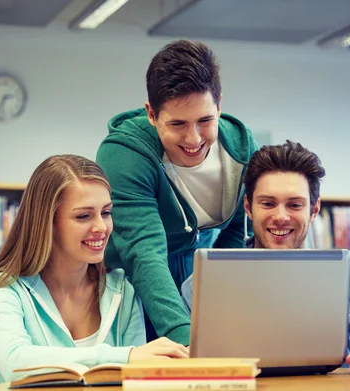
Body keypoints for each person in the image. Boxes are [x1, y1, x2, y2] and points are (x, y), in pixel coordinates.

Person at [182, 140, 350, 374]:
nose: (281, 216)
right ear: (249, 207)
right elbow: (179, 353)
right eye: (268, 203)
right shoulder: (207, 278)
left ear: (313, 210)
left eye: (294, 205)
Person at [95, 40, 259, 346]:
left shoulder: (240, 149)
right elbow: (144, 254)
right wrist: (188, 342)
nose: (193, 138)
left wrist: (217, 312)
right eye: (178, 124)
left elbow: (235, 232)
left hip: (198, 292)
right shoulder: (124, 155)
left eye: (206, 120)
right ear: (152, 115)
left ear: (219, 105)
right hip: (132, 295)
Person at [0, 155, 189, 383]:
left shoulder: (122, 289)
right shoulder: (7, 289)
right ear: (47, 222)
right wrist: (123, 357)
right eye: (83, 216)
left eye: (106, 212)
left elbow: (131, 380)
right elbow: (14, 363)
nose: (101, 227)